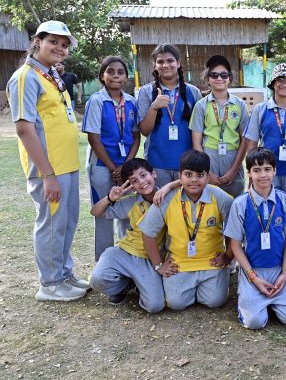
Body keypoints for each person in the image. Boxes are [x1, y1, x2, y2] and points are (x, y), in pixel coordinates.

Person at [7, 20, 89, 301]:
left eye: (64, 45)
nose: (59, 48)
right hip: (49, 169)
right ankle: (50, 284)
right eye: (53, 41)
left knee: (66, 223)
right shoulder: (25, 77)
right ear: (38, 41)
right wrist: (47, 175)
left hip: (67, 164)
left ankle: (64, 274)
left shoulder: (51, 75)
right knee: (51, 225)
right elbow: (24, 129)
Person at [139, 150, 233, 310]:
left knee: (215, 301)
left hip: (211, 262)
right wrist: (159, 265)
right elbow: (147, 232)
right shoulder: (166, 199)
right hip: (179, 263)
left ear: (208, 177)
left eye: (200, 175)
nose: (194, 180)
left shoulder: (221, 197)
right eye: (188, 175)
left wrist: (228, 257)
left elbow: (234, 231)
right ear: (180, 176)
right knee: (176, 303)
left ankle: (211, 285)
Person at [223, 148, 286, 329]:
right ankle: (252, 299)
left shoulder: (284, 199)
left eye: (267, 169)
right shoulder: (240, 203)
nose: (263, 175)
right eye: (257, 170)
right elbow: (235, 245)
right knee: (254, 322)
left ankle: (277, 298)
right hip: (254, 270)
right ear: (249, 173)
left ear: (275, 171)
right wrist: (252, 276)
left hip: (278, 269)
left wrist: (285, 273)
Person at [89, 158, 168, 312]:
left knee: (155, 305)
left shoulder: (167, 197)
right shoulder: (130, 201)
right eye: (134, 181)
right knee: (97, 280)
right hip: (125, 252)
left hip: (150, 258)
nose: (141, 182)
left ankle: (139, 283)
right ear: (131, 186)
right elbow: (96, 212)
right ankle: (125, 285)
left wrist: (169, 186)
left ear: (153, 174)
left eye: (143, 175)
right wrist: (110, 198)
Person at [82, 56, 140, 260]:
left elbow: (135, 136)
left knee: (127, 213)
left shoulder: (131, 101)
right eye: (111, 71)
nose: (116, 75)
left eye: (120, 72)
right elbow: (93, 138)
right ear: (102, 76)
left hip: (126, 168)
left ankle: (126, 259)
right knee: (104, 214)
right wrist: (112, 168)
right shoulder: (96, 101)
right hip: (101, 166)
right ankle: (103, 263)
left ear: (126, 77)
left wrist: (127, 166)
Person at [138, 44, 202, 188]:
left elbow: (199, 131)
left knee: (184, 202)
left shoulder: (193, 92)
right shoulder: (146, 92)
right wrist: (154, 106)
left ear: (178, 63)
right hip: (157, 164)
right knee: (161, 201)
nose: (165, 65)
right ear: (155, 66)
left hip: (187, 165)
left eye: (170, 60)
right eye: (160, 62)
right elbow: (145, 131)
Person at [244, 63, 286, 195]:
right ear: (273, 82)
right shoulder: (260, 109)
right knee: (269, 204)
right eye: (280, 79)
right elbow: (252, 144)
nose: (284, 84)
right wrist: (252, 176)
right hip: (266, 172)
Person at [190, 55, 248, 197]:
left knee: (234, 201)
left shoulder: (240, 105)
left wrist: (234, 170)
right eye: (214, 75)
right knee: (210, 200)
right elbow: (196, 143)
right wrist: (207, 172)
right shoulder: (201, 105)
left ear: (229, 78)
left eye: (224, 75)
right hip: (208, 156)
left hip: (233, 157)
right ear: (208, 79)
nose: (219, 78)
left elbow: (245, 140)